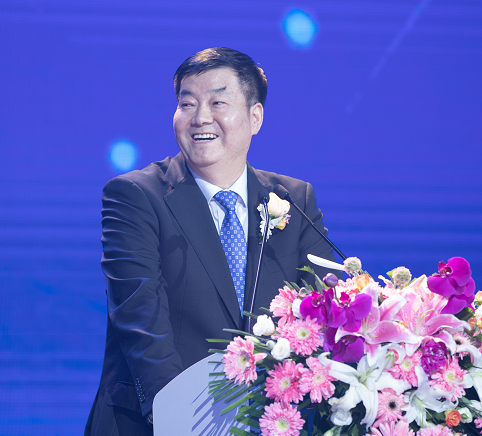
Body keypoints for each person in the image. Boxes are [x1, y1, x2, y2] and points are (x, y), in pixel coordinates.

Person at [85, 47, 337, 436]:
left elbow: (322, 313)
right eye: (187, 104)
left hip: (272, 422)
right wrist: (182, 419)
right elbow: (141, 320)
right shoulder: (136, 196)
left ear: (255, 117)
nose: (200, 117)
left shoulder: (293, 201)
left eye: (217, 102)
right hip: (160, 423)